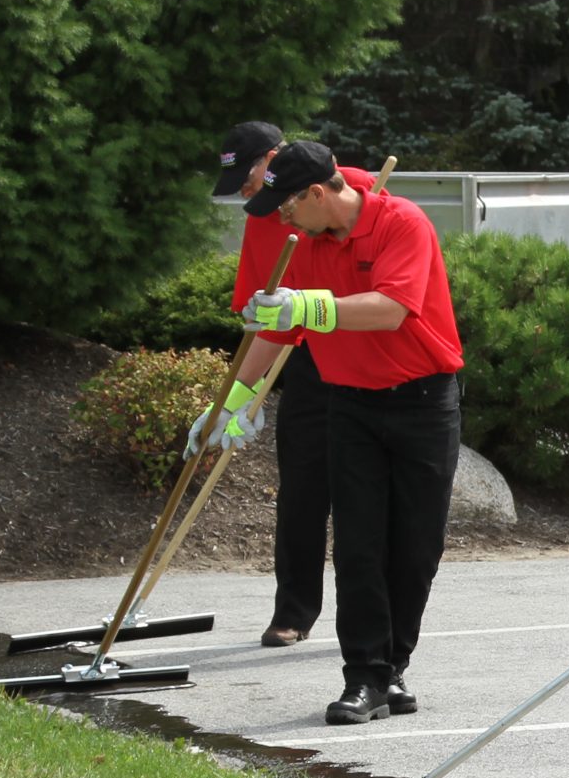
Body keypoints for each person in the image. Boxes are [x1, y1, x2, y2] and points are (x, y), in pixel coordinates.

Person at [191, 139, 464, 726]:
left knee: (416, 550)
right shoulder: (306, 243)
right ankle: (364, 676)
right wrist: (232, 402)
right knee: (360, 546)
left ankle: (392, 668)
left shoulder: (403, 223)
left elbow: (392, 307)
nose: (280, 220)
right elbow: (276, 328)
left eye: (287, 206)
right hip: (352, 406)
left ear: (317, 193)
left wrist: (309, 309)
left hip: (423, 402)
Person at [208, 120, 333, 650]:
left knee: (364, 499)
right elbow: (267, 323)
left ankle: (378, 624)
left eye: (248, 176)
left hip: (360, 355)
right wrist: (230, 403)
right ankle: (293, 612)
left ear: (273, 157)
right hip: (305, 360)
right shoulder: (261, 218)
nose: (243, 191)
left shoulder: (333, 192)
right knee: (301, 490)